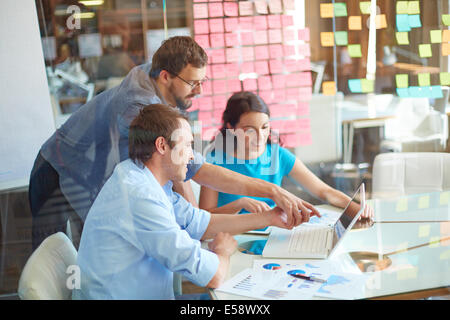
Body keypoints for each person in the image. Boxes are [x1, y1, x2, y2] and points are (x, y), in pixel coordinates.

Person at [29, 36, 317, 250]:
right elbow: (192, 168)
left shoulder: (159, 75)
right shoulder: (138, 106)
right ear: (166, 76)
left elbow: (183, 165)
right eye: (194, 83)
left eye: (202, 81)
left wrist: (196, 220)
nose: (200, 90)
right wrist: (271, 190)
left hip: (92, 168)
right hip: (61, 169)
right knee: (69, 261)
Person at [72, 104, 291, 300]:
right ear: (162, 146)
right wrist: (222, 252)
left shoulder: (143, 177)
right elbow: (212, 277)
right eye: (186, 145)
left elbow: (200, 223)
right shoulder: (139, 196)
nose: (192, 157)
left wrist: (270, 218)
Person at [200, 91, 372, 219]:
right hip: (235, 240)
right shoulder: (216, 161)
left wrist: (355, 208)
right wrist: (240, 204)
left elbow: (323, 191)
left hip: (274, 235)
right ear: (231, 127)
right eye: (249, 130)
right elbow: (205, 216)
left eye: (265, 127)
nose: (260, 137)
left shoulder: (278, 155)